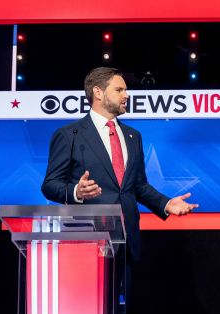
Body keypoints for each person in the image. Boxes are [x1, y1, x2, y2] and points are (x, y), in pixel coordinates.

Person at [42, 67, 198, 260]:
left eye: (125, 90)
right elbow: (50, 185)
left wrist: (166, 203)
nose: (126, 95)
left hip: (127, 241)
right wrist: (76, 192)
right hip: (87, 241)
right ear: (98, 92)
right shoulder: (69, 135)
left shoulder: (133, 136)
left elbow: (138, 186)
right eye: (119, 90)